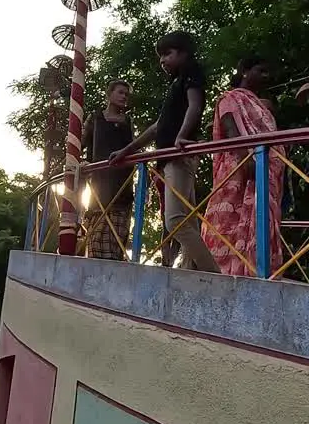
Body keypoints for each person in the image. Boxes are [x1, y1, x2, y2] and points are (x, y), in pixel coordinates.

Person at [111, 31, 220, 272]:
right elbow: (158, 126)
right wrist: (126, 150)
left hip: (177, 155)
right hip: (170, 157)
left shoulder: (191, 73)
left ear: (184, 53)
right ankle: (193, 271)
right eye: (160, 56)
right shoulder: (176, 84)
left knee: (175, 220)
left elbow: (196, 106)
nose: (163, 61)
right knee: (187, 219)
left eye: (168, 54)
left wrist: (182, 136)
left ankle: (214, 273)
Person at [203, 56, 286, 276]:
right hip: (239, 173)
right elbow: (232, 132)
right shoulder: (229, 99)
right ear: (245, 71)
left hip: (264, 174)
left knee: (261, 222)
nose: (266, 77)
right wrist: (247, 161)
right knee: (230, 223)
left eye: (268, 73)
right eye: (261, 71)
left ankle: (257, 271)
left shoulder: (260, 106)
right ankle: (227, 272)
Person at [80, 80, 135, 260]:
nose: (124, 97)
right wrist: (82, 164)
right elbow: (82, 144)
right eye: (120, 92)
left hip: (122, 185)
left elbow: (132, 148)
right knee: (96, 240)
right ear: (109, 94)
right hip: (99, 186)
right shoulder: (95, 118)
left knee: (117, 241)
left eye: (126, 94)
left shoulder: (127, 121)